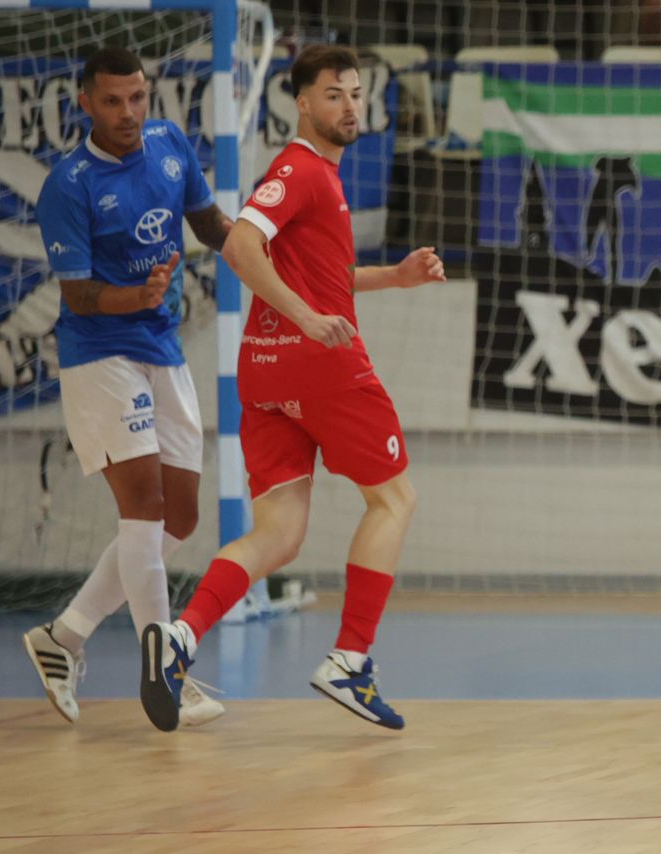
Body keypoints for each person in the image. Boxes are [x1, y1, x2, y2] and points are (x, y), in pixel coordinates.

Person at [136, 44, 446, 732]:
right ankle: (350, 660)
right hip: (320, 365)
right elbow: (241, 243)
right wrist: (307, 317)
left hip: (265, 371)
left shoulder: (318, 180)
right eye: (334, 94)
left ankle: (179, 640)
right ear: (302, 103)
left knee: (277, 535)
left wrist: (393, 277)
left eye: (357, 94)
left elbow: (320, 274)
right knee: (395, 497)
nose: (350, 106)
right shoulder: (300, 170)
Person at [26, 47, 233, 727]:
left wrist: (258, 244)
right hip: (99, 353)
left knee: (182, 514)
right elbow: (81, 297)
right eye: (112, 101)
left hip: (161, 348)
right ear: (84, 102)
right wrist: (136, 294)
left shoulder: (171, 145)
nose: (129, 113)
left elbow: (207, 222)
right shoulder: (70, 185)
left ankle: (65, 638)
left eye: (138, 97)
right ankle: (164, 667)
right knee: (142, 505)